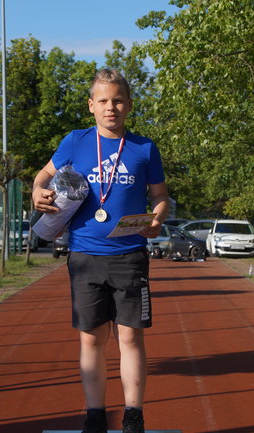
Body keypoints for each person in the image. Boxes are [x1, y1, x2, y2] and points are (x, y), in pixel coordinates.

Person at [32, 69, 169, 433]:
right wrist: (37, 190)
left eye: (118, 101)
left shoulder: (144, 148)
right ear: (91, 105)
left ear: (129, 105)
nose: (111, 108)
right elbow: (43, 175)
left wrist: (157, 218)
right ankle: (95, 415)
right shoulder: (75, 141)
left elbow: (160, 196)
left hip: (130, 255)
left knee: (130, 337)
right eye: (104, 101)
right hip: (85, 256)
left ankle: (133, 415)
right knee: (91, 339)